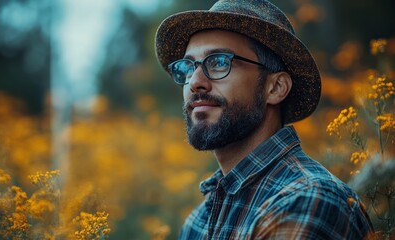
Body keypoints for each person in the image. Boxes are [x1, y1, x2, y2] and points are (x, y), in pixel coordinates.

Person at [155, 0, 374, 239]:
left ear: (276, 87)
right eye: (188, 67)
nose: (195, 81)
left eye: (219, 62)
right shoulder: (199, 222)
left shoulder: (306, 201)